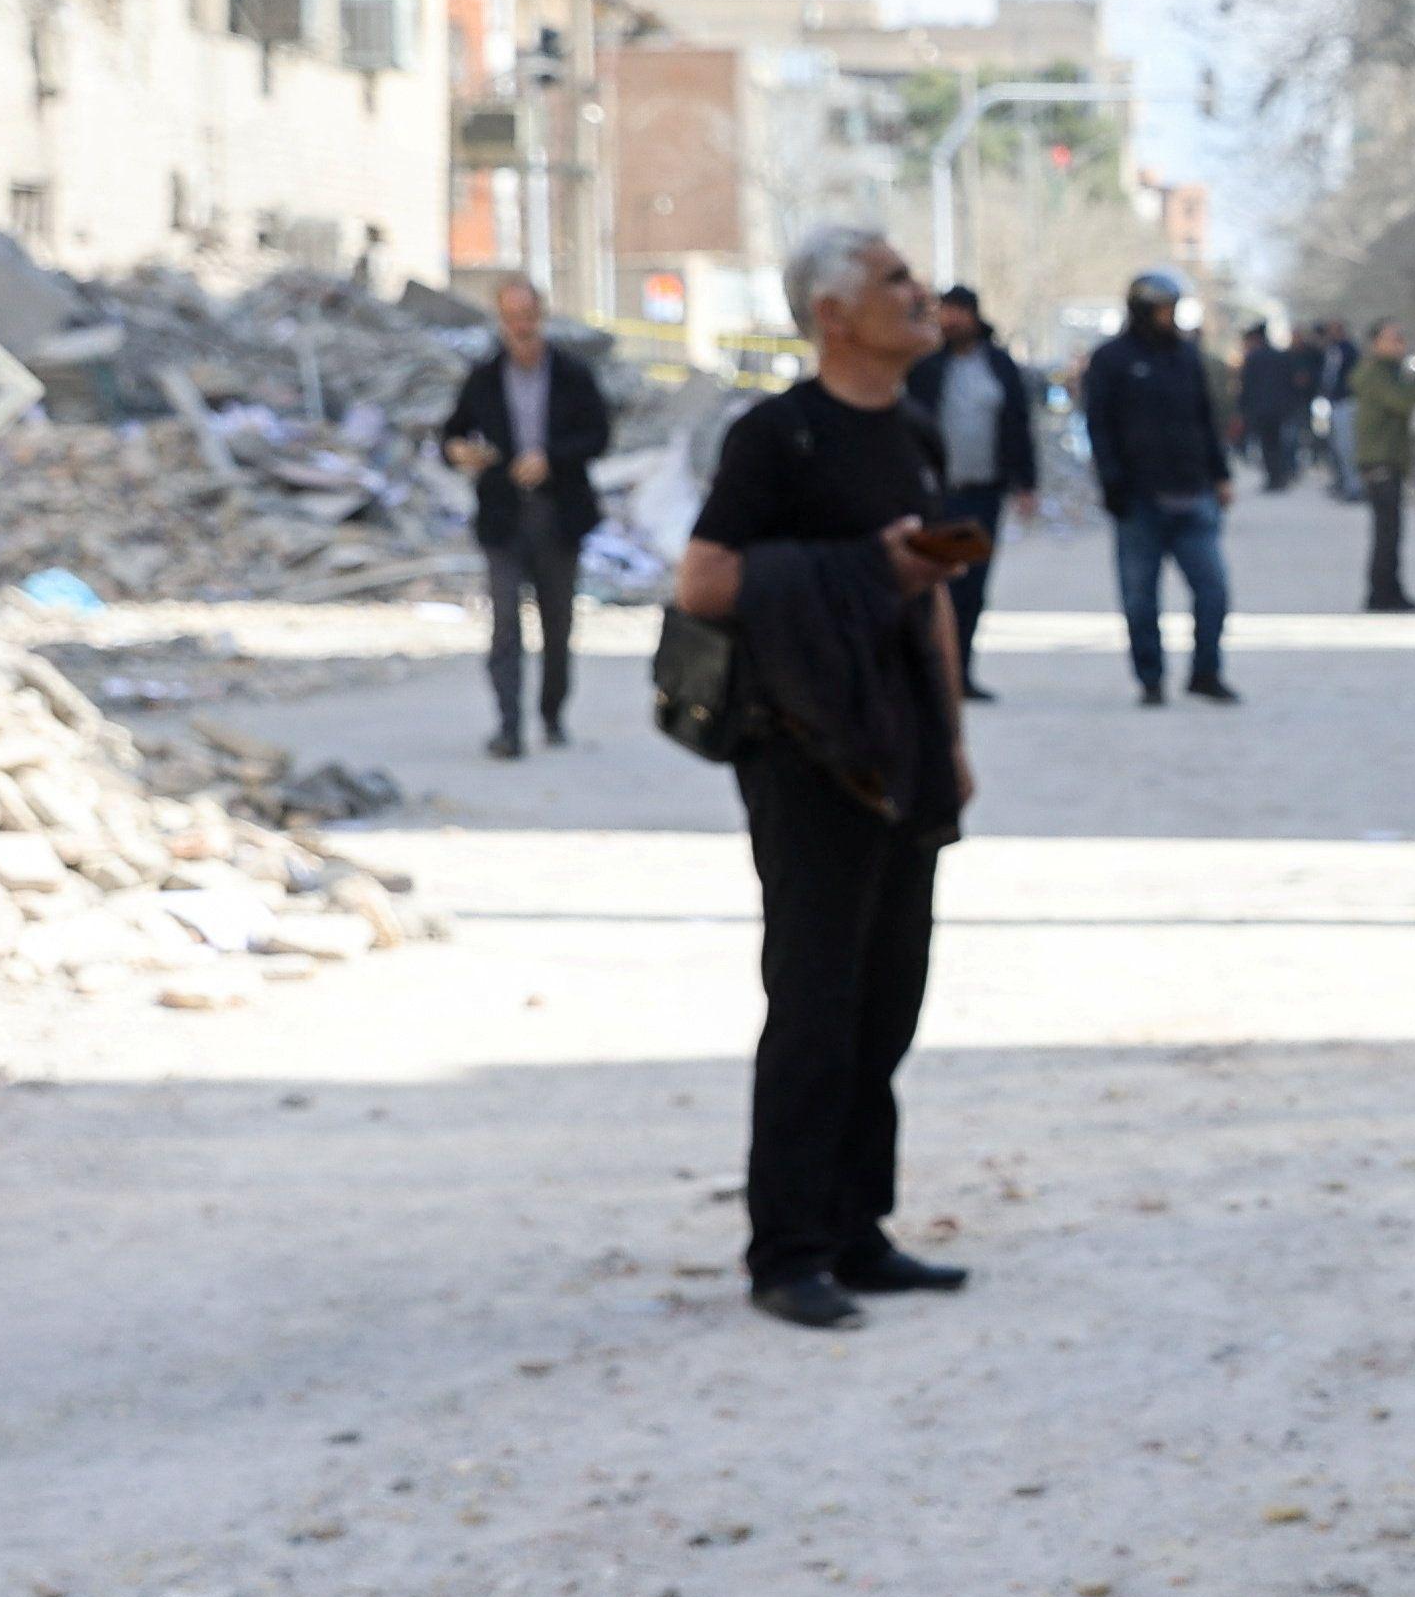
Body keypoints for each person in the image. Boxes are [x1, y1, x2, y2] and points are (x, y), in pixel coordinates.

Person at [671, 225, 983, 1335]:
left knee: (889, 989)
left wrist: (949, 735)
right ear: (834, 313)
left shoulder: (910, 430)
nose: (921, 293)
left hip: (900, 743)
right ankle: (788, 1247)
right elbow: (703, 580)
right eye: (896, 280)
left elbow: (927, 593)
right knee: (813, 998)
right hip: (803, 750)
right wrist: (866, 566)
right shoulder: (776, 436)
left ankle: (858, 1226)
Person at [437, 277, 610, 761]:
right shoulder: (484, 377)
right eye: (511, 319)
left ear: (542, 317)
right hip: (503, 517)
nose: (521, 328)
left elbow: (598, 435)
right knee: (506, 627)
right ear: (500, 321)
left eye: (528, 318)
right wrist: (460, 451)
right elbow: (451, 435)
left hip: (559, 515)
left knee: (557, 625)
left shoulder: (574, 375)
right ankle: (508, 727)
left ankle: (551, 714)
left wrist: (551, 459)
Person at [1078, 270, 1237, 708]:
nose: (1169, 317)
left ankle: (1206, 672)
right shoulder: (1111, 360)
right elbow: (1100, 428)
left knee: (1213, 590)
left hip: (1192, 495)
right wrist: (1112, 483)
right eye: (1162, 309)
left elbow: (1205, 420)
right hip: (1139, 501)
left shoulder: (1186, 357)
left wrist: (1220, 475)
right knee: (1140, 598)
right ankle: (1150, 679)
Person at [903, 286, 1043, 704]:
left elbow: (1018, 424)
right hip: (936, 496)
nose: (952, 321)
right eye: (946, 312)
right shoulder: (926, 367)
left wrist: (1026, 484)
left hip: (984, 492)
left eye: (959, 312)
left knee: (972, 586)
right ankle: (931, 676)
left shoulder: (998, 366)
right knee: (934, 584)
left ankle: (960, 672)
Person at [1349, 320, 1415, 613]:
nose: (1399, 344)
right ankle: (1382, 594)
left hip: (1386, 460)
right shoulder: (1375, 375)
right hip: (1380, 461)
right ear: (1375, 342)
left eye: (1401, 338)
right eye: (1392, 338)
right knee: (1387, 532)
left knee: (1390, 531)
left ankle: (1388, 590)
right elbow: (1404, 402)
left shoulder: (1385, 372)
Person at [1236, 317, 1305, 492]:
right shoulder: (1280, 356)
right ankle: (1279, 476)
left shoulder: (1253, 358)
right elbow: (1292, 382)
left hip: (1262, 409)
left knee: (1268, 444)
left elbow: (1247, 385)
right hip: (1280, 408)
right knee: (1277, 443)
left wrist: (1243, 408)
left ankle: (1274, 477)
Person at [1307, 319, 1364, 504]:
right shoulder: (1330, 351)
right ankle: (1343, 482)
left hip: (1345, 402)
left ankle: (1354, 487)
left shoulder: (1348, 350)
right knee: (1334, 445)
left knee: (1347, 446)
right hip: (1331, 402)